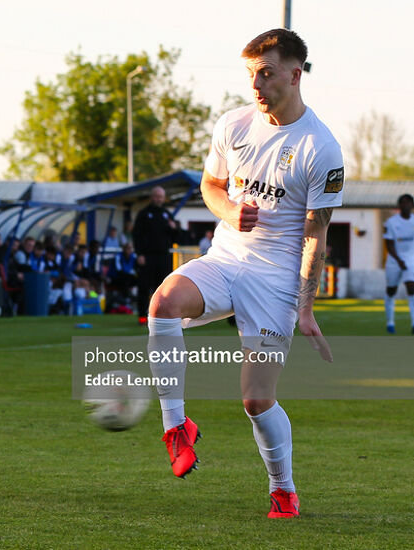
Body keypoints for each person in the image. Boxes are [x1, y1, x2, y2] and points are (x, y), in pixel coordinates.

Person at [144, 29, 343, 518]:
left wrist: (306, 306)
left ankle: (283, 488)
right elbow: (211, 186)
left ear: (295, 75)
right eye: (250, 72)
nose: (255, 83)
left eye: (266, 72)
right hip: (226, 258)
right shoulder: (232, 125)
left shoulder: (321, 148)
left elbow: (316, 233)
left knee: (256, 401)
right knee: (162, 304)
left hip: (275, 279)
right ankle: (176, 427)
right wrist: (230, 211)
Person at [132, 185, 179, 320]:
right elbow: (137, 235)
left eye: (161, 197)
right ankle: (142, 316)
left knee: (163, 288)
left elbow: (176, 237)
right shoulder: (144, 214)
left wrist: (174, 229)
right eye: (157, 196)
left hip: (163, 256)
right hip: (147, 256)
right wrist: (139, 253)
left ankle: (160, 316)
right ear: (152, 197)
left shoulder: (167, 214)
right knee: (144, 286)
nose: (159, 199)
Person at [383, 193, 414, 334]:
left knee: (411, 288)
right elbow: (389, 245)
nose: (405, 205)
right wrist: (398, 260)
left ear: (412, 205)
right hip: (394, 260)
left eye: (408, 202)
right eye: (402, 202)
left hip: (410, 259)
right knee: (391, 291)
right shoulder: (391, 222)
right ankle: (390, 322)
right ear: (399, 205)